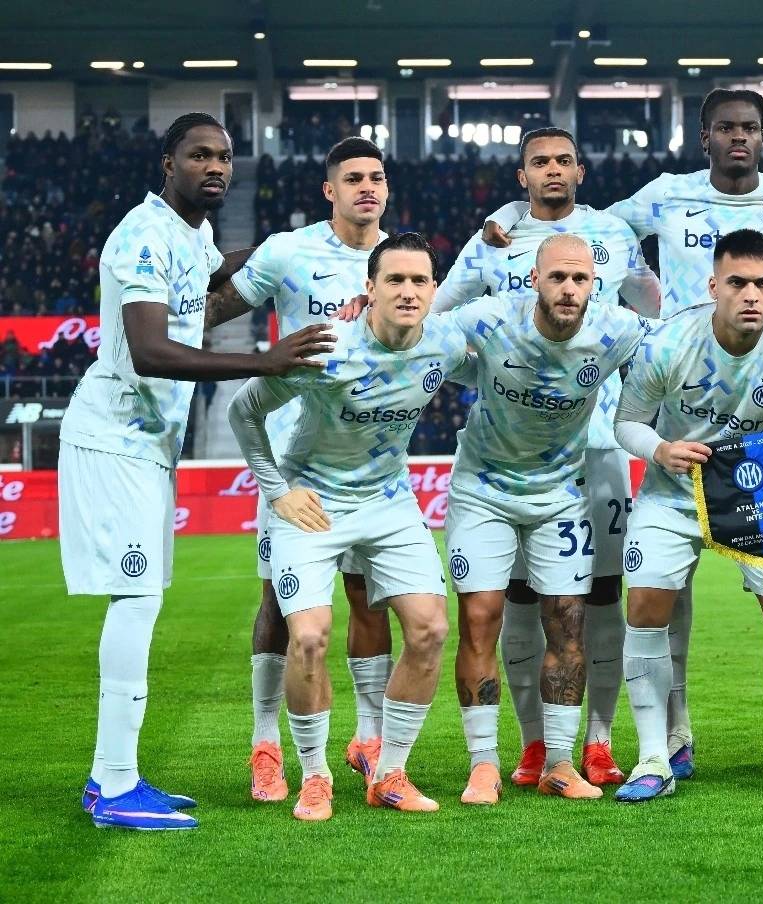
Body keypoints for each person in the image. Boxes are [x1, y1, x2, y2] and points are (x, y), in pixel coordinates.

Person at [484, 89, 763, 778]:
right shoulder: (667, 220)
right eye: (726, 127)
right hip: (676, 466)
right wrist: (512, 220)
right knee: (649, 602)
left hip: (754, 476)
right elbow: (585, 226)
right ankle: (659, 749)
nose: (739, 137)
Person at [61, 113, 334, 830]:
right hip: (113, 439)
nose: (215, 167)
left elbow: (215, 277)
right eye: (199, 155)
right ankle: (117, 787)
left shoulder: (193, 234)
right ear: (168, 162)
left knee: (142, 596)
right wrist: (262, 361)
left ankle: (106, 776)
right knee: (135, 600)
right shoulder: (142, 235)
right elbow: (151, 350)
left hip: (149, 446)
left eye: (224, 157)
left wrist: (288, 250)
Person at [434, 127, 659, 787]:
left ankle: (597, 741)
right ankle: (534, 745)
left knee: (600, 597)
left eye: (564, 159)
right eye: (540, 161)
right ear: (522, 174)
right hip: (513, 445)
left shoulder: (612, 232)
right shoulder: (494, 236)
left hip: (600, 441)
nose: (553, 170)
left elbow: (654, 307)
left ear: (580, 170)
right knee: (517, 599)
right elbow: (438, 312)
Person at [228, 232, 470, 821]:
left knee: (431, 629)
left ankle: (390, 773)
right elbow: (244, 410)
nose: (407, 291)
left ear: (434, 290)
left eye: (419, 281)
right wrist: (278, 490)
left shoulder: (447, 342)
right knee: (309, 638)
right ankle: (315, 777)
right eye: (395, 280)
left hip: (388, 501)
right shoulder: (328, 348)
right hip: (313, 500)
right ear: (369, 287)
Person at [611, 229, 763, 802]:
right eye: (737, 283)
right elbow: (627, 421)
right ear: (714, 286)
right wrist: (659, 448)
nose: (751, 295)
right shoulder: (665, 345)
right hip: (674, 493)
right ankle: (654, 757)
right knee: (645, 607)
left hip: (755, 494)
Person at [205, 137, 394, 802]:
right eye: (353, 178)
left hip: (368, 459)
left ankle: (368, 739)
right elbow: (215, 309)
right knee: (278, 607)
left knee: (369, 600)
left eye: (376, 177)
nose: (366, 188)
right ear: (329, 191)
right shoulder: (289, 252)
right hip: (291, 465)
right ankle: (266, 745)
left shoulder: (400, 263)